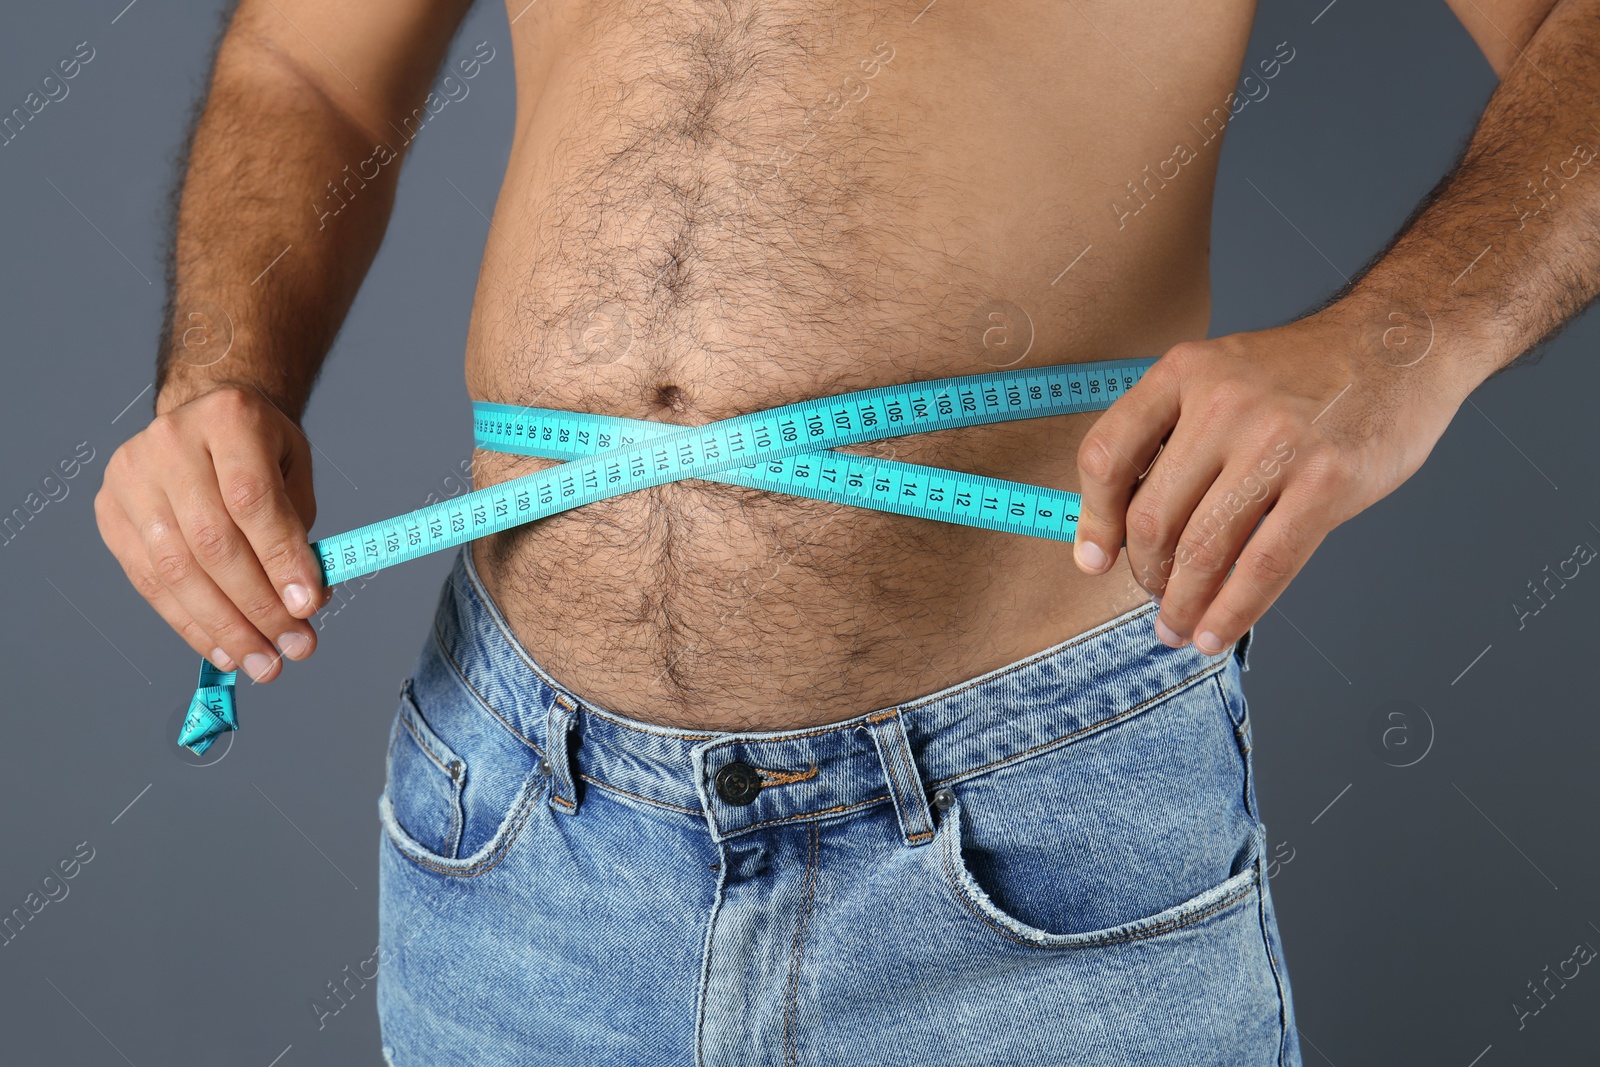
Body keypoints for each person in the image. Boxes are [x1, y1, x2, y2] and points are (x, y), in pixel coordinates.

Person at [95, 0, 1597, 1062]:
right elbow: (309, 61)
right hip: (516, 838)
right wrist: (218, 377)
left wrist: (1403, 337)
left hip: (1021, 849)